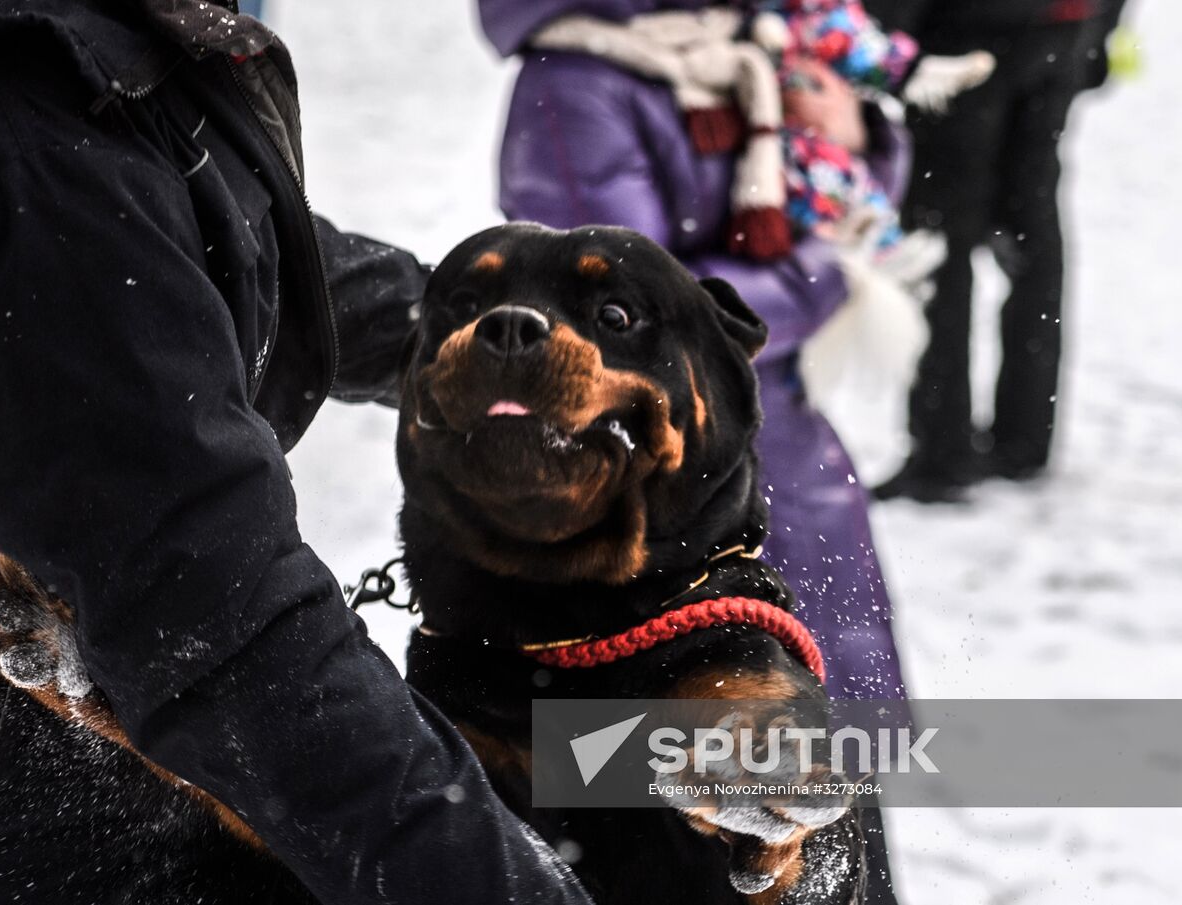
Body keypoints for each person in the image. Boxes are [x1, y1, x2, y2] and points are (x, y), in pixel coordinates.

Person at [0, 2, 596, 904]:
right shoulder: (15, 153)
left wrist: (462, 342)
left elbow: (214, 247)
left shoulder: (71, 66)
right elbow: (232, 637)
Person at [477, 1, 911, 899]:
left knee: (836, 821)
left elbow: (843, 193)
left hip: (786, 477)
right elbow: (633, 324)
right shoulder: (577, 82)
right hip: (660, 528)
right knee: (698, 837)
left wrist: (858, 130)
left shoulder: (745, 40)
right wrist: (820, 271)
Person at [868, 0, 1128, 502]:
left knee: (939, 238)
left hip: (963, 38)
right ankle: (1024, 438)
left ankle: (943, 453)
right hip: (1063, 29)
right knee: (1031, 234)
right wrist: (1099, 31)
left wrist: (885, 50)